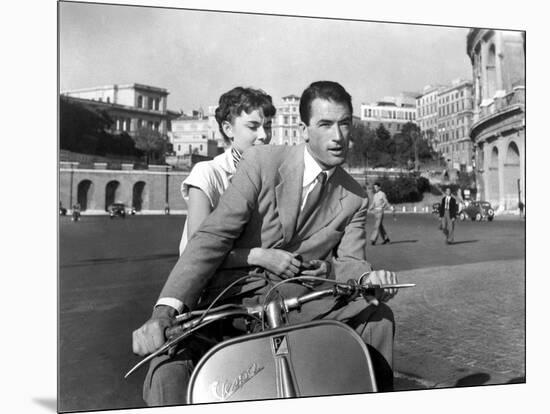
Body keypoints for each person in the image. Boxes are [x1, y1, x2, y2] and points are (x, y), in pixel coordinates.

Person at [132, 81, 399, 405]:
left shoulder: (355, 196)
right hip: (233, 304)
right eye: (326, 124)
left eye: (345, 123)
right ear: (304, 129)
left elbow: (352, 262)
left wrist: (367, 279)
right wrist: (165, 311)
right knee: (167, 367)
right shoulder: (262, 161)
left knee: (378, 319)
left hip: (306, 304)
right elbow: (212, 237)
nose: (338, 136)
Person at [178, 86, 275, 256]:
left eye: (267, 127)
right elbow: (197, 251)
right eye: (253, 127)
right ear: (228, 129)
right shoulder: (208, 173)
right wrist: (258, 257)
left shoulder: (275, 174)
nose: (263, 136)